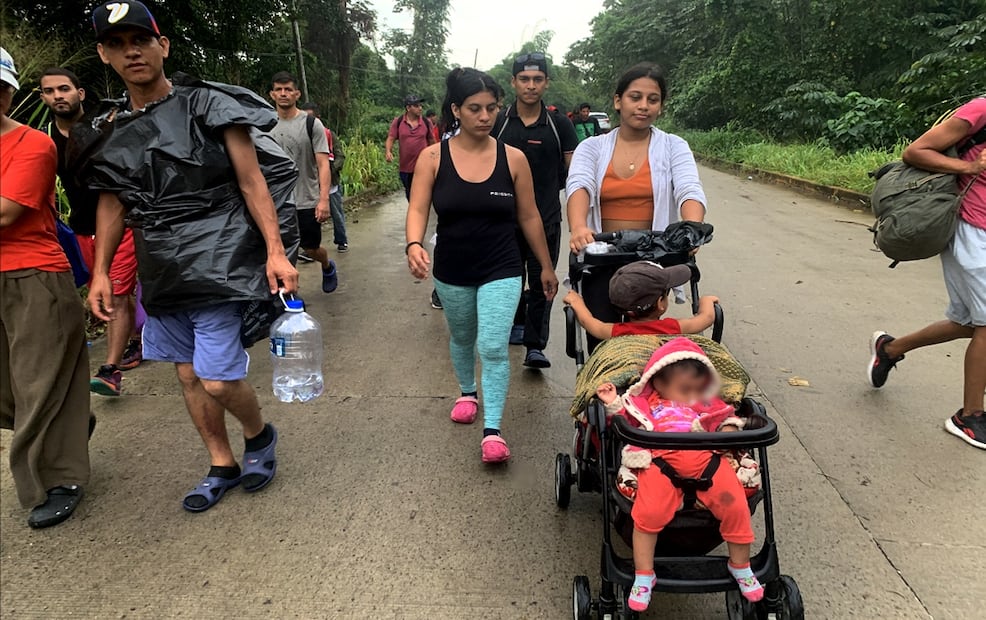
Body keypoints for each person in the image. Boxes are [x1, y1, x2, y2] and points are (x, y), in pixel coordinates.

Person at [81, 1, 299, 512]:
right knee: (185, 373)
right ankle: (220, 462)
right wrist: (100, 274)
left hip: (221, 256)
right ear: (104, 55)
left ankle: (259, 434)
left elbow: (253, 182)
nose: (131, 50)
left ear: (164, 45)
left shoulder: (209, 104)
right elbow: (113, 205)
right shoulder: (110, 129)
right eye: (117, 44)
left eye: (141, 39)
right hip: (160, 265)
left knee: (217, 375)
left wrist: (275, 251)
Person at [405, 67, 559, 463]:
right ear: (456, 109)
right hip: (452, 268)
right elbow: (419, 207)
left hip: (502, 266)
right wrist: (413, 243)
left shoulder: (514, 159)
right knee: (462, 336)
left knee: (492, 345)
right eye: (474, 108)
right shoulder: (433, 157)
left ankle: (493, 430)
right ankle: (467, 392)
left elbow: (528, 216)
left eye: (491, 108)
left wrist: (544, 265)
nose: (485, 116)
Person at [596, 338, 763, 611]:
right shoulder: (646, 403)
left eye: (698, 388)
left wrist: (729, 431)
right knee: (647, 515)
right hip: (661, 462)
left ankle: (740, 565)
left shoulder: (706, 403)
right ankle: (644, 574)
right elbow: (625, 418)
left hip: (706, 460)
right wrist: (612, 402)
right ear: (658, 383)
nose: (692, 395)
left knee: (736, 507)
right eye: (685, 390)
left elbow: (727, 417)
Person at [0, 47, 91, 528]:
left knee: (38, 384)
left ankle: (58, 476)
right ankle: (72, 423)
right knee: (15, 390)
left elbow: (6, 213)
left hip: (31, 275)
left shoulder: (34, 145)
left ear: (8, 92)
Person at [868, 97, 986, 449]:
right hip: (972, 229)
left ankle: (890, 349)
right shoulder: (980, 109)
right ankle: (970, 417)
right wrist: (968, 168)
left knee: (968, 322)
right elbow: (915, 152)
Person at [39, 66, 143, 396]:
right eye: (51, 91)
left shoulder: (104, 127)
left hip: (121, 223)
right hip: (82, 228)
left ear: (79, 93)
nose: (59, 96)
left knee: (114, 292)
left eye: (64, 89)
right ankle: (137, 341)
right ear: (43, 97)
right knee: (116, 293)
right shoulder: (46, 141)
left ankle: (110, 370)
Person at [492, 52, 578, 369]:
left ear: (546, 83)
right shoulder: (499, 123)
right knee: (508, 280)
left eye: (537, 80)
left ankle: (535, 346)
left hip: (546, 220)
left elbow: (575, 171)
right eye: (524, 80)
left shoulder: (559, 125)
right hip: (503, 222)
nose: (531, 86)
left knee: (543, 282)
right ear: (513, 82)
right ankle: (514, 325)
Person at [567, 63, 706, 256]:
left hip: (654, 259)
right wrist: (579, 227)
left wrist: (692, 229)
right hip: (600, 257)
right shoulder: (591, 147)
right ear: (618, 101)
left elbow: (689, 189)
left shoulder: (675, 146)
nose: (643, 106)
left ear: (660, 107)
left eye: (653, 100)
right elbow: (579, 185)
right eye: (635, 97)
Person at [270, 73, 338, 292]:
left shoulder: (311, 124)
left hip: (306, 199)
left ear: (297, 94)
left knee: (310, 248)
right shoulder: (264, 124)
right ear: (272, 94)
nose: (283, 93)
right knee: (281, 251)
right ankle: (291, 299)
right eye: (279, 89)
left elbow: (323, 163)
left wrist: (323, 199)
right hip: (276, 202)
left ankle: (327, 265)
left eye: (288, 89)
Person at [564, 261, 718, 340]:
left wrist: (576, 302)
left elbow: (590, 322)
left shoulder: (618, 332)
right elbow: (707, 318)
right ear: (660, 304)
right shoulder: (671, 327)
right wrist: (706, 301)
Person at [299, 102, 349, 254]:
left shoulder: (329, 134)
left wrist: (330, 169)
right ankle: (309, 248)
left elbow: (340, 155)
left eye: (310, 117)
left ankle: (341, 240)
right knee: (308, 218)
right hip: (310, 185)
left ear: (318, 118)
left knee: (336, 213)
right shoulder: (301, 136)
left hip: (330, 183)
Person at [386, 94, 436, 200]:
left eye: (420, 105)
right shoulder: (398, 122)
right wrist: (388, 151)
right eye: (416, 106)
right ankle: (415, 212)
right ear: (408, 108)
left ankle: (419, 214)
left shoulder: (426, 122)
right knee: (410, 194)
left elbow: (432, 141)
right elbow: (391, 138)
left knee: (422, 195)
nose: (420, 108)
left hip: (423, 167)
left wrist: (436, 157)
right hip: (405, 168)